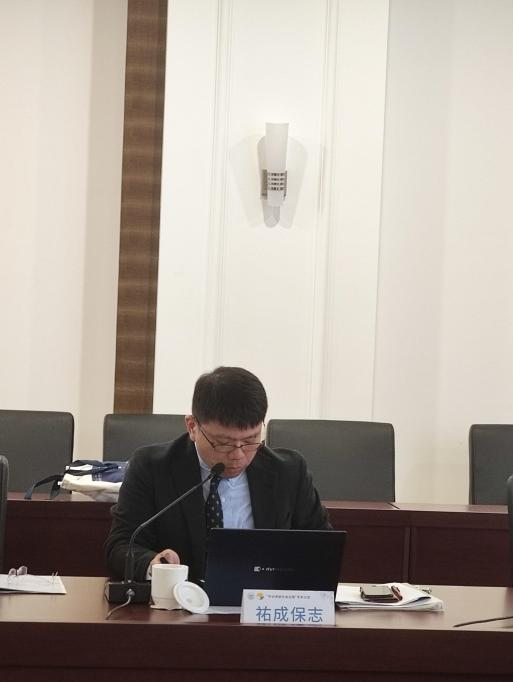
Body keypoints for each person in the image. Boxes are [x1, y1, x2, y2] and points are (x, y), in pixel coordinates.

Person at [105, 366, 330, 582]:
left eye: (251, 440)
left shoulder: (289, 472)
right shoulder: (152, 467)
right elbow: (121, 545)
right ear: (192, 427)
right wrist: (152, 564)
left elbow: (322, 546)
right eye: (223, 443)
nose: (238, 455)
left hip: (262, 599)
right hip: (182, 599)